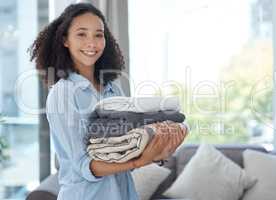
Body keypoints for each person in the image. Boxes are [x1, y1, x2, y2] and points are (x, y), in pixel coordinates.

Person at [29, 3, 187, 200]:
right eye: (81, 34)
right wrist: (138, 162)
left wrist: (157, 150)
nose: (92, 43)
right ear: (65, 40)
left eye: (98, 34)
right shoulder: (63, 94)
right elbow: (82, 166)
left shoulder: (113, 87)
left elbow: (125, 147)